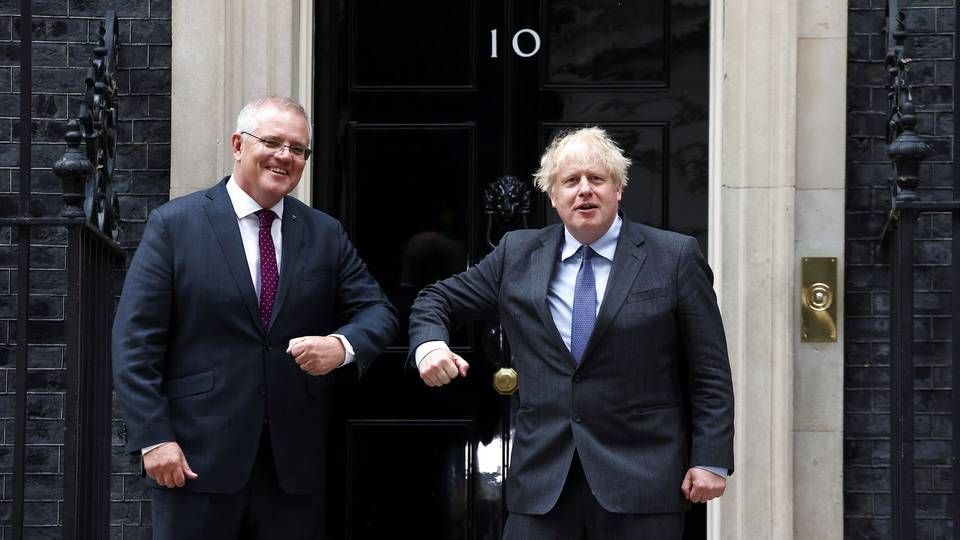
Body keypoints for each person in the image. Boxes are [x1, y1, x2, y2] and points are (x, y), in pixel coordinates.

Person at [409, 127, 734, 539]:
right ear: (553, 195)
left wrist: (711, 459)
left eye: (596, 179)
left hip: (642, 481)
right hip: (543, 483)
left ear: (619, 188)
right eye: (571, 181)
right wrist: (430, 346)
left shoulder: (674, 256)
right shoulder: (516, 254)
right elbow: (437, 299)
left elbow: (709, 370)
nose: (584, 191)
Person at [112, 96, 397, 539]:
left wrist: (341, 347)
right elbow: (136, 342)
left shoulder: (324, 233)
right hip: (193, 459)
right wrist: (154, 438)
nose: (285, 156)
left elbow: (377, 311)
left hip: (292, 465)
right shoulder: (175, 225)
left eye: (298, 148)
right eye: (273, 142)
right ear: (238, 145)